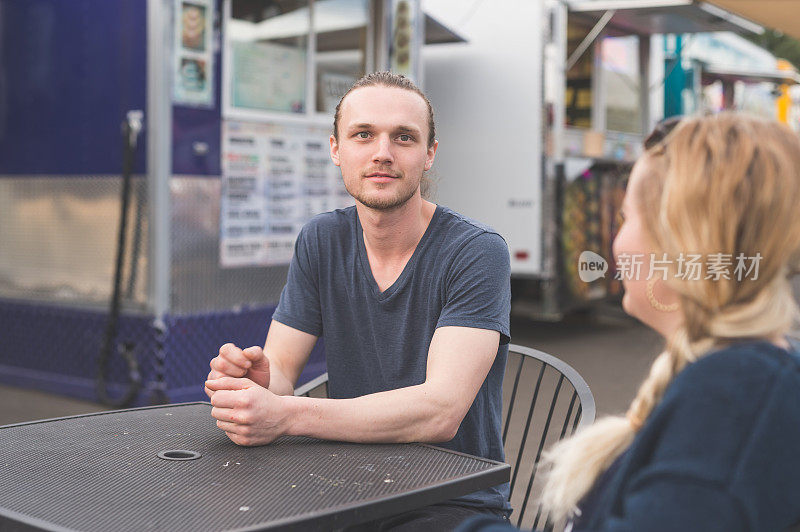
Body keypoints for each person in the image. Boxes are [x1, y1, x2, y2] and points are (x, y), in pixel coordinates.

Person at [458, 113, 800, 531]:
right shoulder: (745, 376)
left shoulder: (735, 398)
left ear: (677, 238)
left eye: (624, 218)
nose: (615, 241)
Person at [204, 71, 512, 529]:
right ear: (336, 149)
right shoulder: (321, 239)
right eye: (363, 134)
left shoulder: (476, 250)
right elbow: (282, 370)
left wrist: (285, 415)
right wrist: (259, 385)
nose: (382, 153)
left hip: (452, 501)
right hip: (343, 488)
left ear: (429, 155)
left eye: (403, 137)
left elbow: (440, 411)